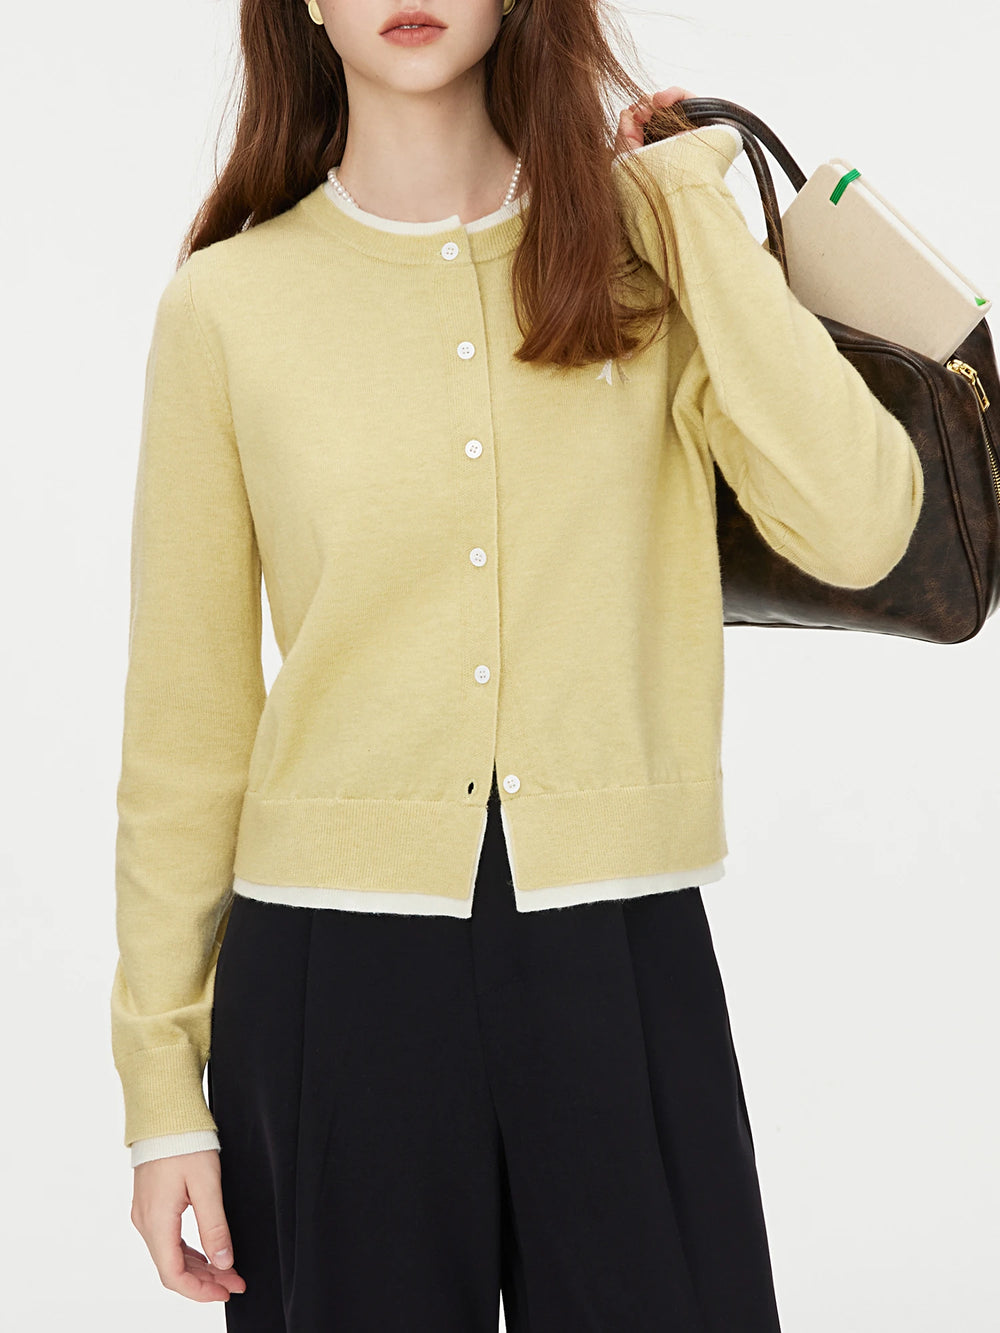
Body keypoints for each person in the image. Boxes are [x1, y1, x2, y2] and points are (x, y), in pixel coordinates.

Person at [111, 1, 925, 1328]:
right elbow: (183, 732)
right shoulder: (228, 306)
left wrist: (686, 210)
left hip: (619, 948)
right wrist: (162, 1095)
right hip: (330, 975)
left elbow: (863, 522)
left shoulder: (644, 260)